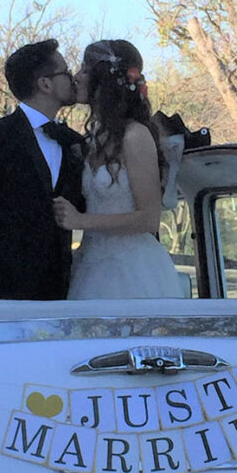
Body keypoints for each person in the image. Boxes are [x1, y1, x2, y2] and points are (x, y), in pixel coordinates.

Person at [0, 39, 84, 300]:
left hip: (58, 291)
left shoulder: (73, 142)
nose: (72, 79)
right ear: (45, 84)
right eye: (66, 73)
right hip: (0, 290)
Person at [52, 39, 184, 299]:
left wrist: (81, 221)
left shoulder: (136, 136)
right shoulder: (93, 138)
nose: (76, 77)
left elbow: (149, 219)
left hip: (132, 271)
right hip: (90, 263)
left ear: (104, 80)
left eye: (84, 70)